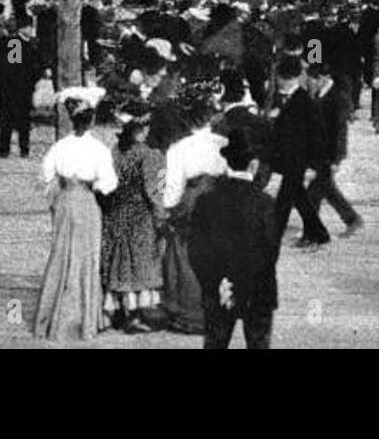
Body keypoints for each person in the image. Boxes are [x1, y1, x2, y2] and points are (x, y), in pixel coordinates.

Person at [33, 87, 118, 340]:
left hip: (65, 200)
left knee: (61, 255)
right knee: (86, 258)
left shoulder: (60, 147)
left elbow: (45, 176)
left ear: (71, 119)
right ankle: (85, 319)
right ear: (91, 119)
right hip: (87, 201)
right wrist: (95, 187)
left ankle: (53, 316)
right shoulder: (99, 149)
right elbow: (108, 183)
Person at [189, 116, 281, 349]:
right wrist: (241, 283)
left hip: (217, 289)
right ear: (254, 164)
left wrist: (220, 282)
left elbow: (196, 251)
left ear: (227, 163)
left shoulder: (206, 201)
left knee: (215, 343)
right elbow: (269, 252)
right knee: (258, 343)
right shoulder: (265, 203)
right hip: (258, 290)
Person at [159, 73, 228, 334]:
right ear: (212, 116)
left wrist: (167, 208)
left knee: (186, 256)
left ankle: (189, 313)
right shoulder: (224, 144)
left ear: (187, 117)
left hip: (190, 203)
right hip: (220, 201)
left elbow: (173, 188)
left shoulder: (179, 148)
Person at [102, 101, 166, 333]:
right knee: (139, 261)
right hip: (140, 216)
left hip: (116, 213)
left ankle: (118, 308)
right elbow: (155, 191)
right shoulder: (151, 155)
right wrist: (162, 217)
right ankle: (136, 314)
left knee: (119, 260)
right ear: (142, 127)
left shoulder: (114, 152)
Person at [268, 54, 331, 248]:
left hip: (298, 159)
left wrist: (313, 164)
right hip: (292, 158)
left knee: (285, 199)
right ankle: (318, 232)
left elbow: (315, 136)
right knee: (297, 197)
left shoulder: (303, 102)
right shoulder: (294, 98)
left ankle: (273, 236)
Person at [305, 62, 363, 236]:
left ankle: (313, 232)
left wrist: (336, 159)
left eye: (311, 80)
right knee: (326, 190)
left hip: (329, 154)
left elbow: (340, 131)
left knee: (315, 193)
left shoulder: (337, 97)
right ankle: (352, 220)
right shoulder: (320, 94)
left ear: (322, 79)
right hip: (319, 152)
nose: (309, 84)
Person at [0, 18, 41, 158]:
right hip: (22, 86)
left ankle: (4, 149)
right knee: (23, 119)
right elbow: (34, 67)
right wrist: (33, 81)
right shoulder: (27, 45)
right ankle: (24, 149)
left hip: (6, 86)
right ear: (21, 29)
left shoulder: (3, 43)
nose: (31, 30)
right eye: (29, 27)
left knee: (6, 118)